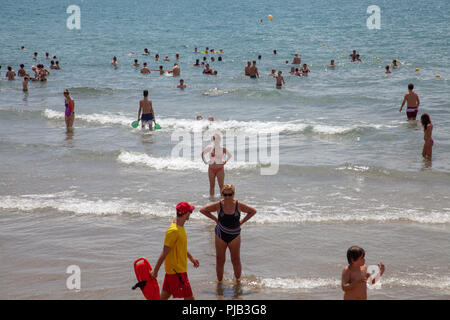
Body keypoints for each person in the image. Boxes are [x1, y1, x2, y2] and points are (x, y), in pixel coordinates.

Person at [199, 184, 257, 283]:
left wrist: (242, 222)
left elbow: (253, 211)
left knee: (236, 260)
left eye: (230, 195)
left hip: (235, 236)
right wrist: (215, 219)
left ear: (233, 194)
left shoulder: (239, 205)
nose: (227, 197)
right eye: (225, 195)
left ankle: (238, 282)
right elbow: (203, 210)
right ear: (222, 194)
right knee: (220, 260)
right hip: (220, 235)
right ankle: (220, 283)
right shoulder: (218, 205)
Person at [150, 201, 199, 300]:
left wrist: (191, 258)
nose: (191, 214)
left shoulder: (179, 226)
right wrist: (155, 271)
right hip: (177, 272)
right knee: (190, 298)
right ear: (185, 213)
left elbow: (180, 246)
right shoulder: (173, 231)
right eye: (190, 211)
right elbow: (164, 252)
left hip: (175, 271)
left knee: (163, 297)